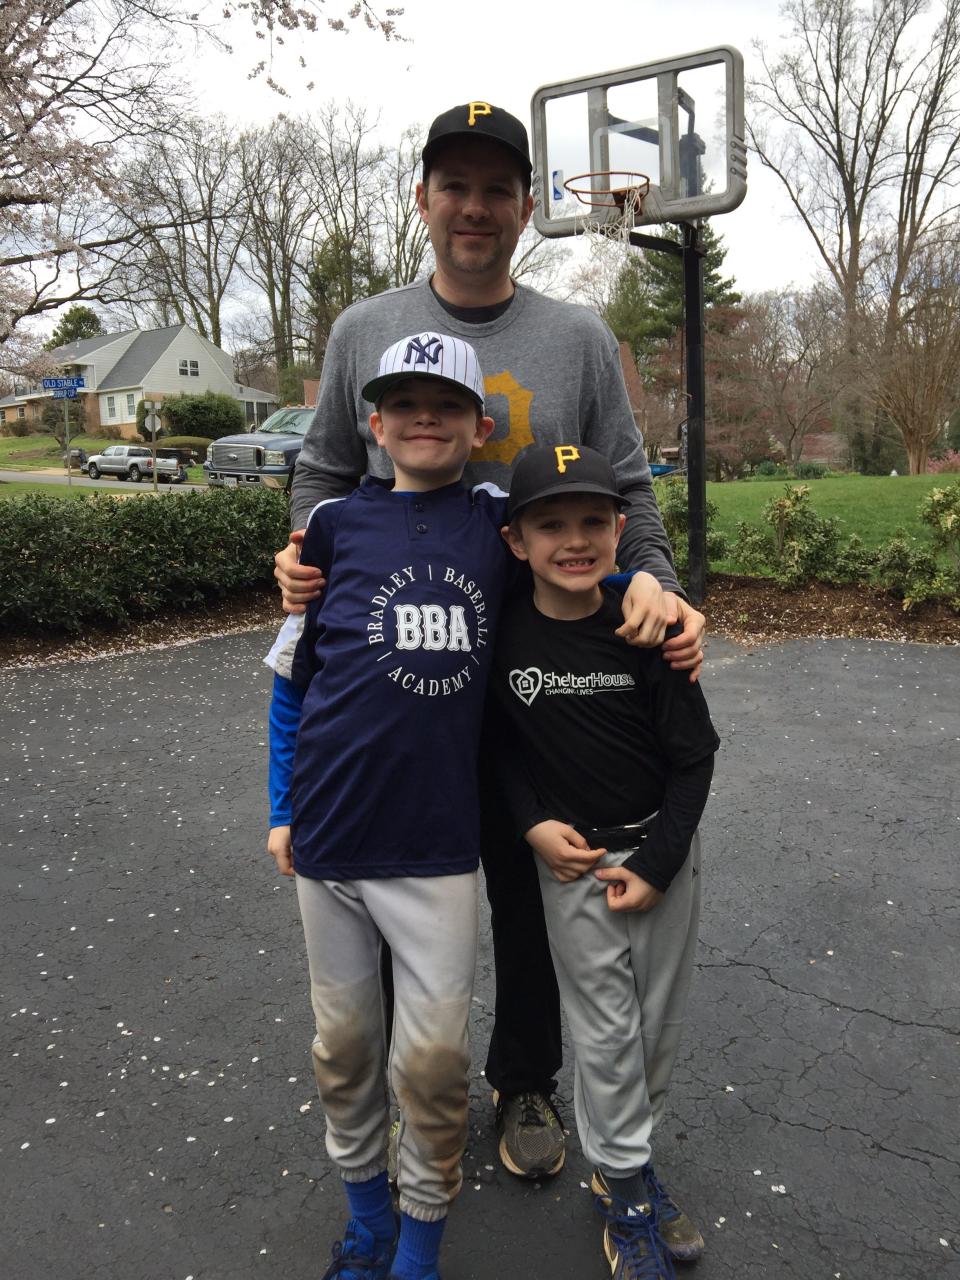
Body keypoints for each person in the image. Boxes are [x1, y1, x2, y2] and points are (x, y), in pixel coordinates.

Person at [273, 100, 708, 1180]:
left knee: (524, 878)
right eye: (453, 185)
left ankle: (523, 1078)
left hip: (533, 664)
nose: (475, 206)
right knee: (376, 879)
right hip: (394, 659)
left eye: (496, 187)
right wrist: (296, 554)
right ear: (423, 199)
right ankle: (386, 1095)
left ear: (525, 206)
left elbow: (631, 487)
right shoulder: (361, 331)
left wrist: (656, 580)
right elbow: (324, 472)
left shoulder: (573, 339)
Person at [265, 332, 515, 1280]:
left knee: (436, 1065)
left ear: (477, 426)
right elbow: (293, 683)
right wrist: (281, 807)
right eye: (403, 404)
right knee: (345, 1047)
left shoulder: (495, 521)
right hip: (330, 837)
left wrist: (642, 585)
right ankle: (367, 1221)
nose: (423, 418)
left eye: (445, 405)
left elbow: (577, 557)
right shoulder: (330, 528)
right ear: (372, 423)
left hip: (438, 845)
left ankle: (419, 1242)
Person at [490, 444, 720, 1277]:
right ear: (516, 541)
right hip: (575, 865)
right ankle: (626, 1193)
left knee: (654, 1028)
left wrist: (658, 863)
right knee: (605, 1030)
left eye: (594, 521)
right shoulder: (507, 630)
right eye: (551, 525)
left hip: (662, 856)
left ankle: (628, 1161)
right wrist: (530, 826)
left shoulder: (646, 626)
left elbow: (697, 756)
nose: (574, 540)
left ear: (621, 530)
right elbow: (500, 751)